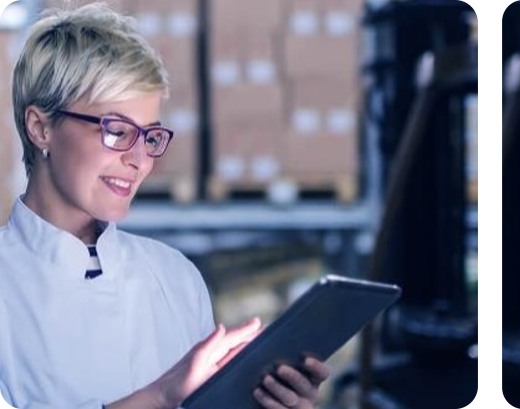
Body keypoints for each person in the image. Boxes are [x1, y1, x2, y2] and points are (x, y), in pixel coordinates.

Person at [0, 3, 331, 409]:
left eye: (150, 137)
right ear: (40, 127)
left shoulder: (175, 277)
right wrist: (159, 395)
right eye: (117, 131)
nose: (139, 160)